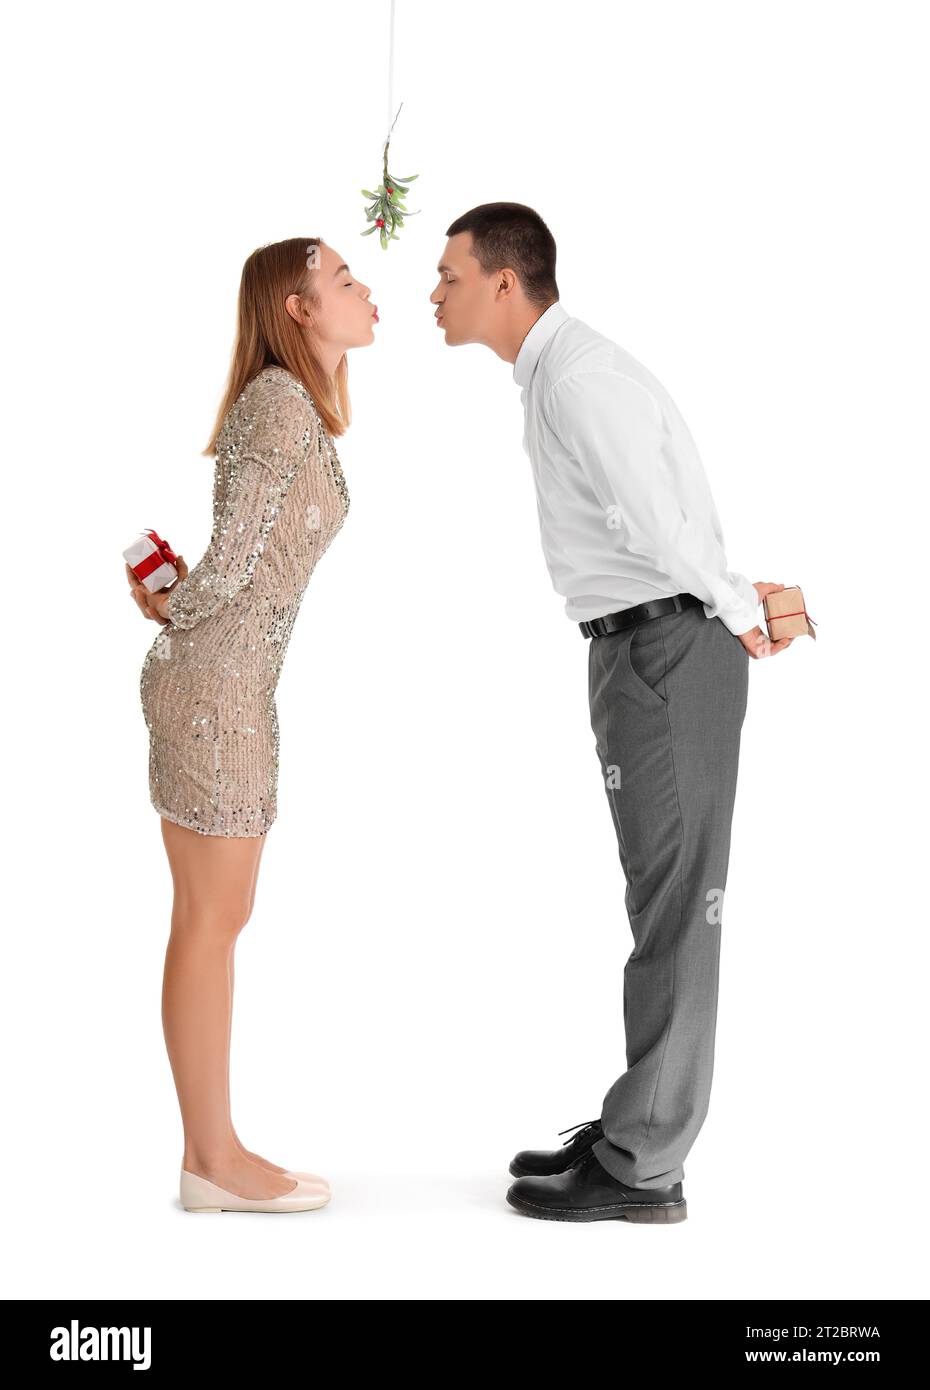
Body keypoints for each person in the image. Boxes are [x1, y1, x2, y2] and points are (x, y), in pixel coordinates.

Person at [429, 203, 794, 1224]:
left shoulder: (577, 377)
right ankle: (639, 1125)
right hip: (639, 647)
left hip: (667, 646)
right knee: (659, 897)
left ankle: (643, 1164)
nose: (435, 293)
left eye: (449, 274)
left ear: (506, 282)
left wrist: (732, 608)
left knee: (678, 902)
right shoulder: (554, 372)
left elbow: (658, 516)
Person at [127, 238, 378, 1213]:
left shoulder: (287, 406)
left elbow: (228, 570)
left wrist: (176, 601)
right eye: (346, 280)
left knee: (215, 919)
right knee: (210, 921)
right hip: (214, 693)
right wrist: (177, 604)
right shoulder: (276, 404)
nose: (366, 292)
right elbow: (229, 570)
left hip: (229, 683)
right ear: (297, 306)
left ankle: (214, 1154)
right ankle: (212, 1162)